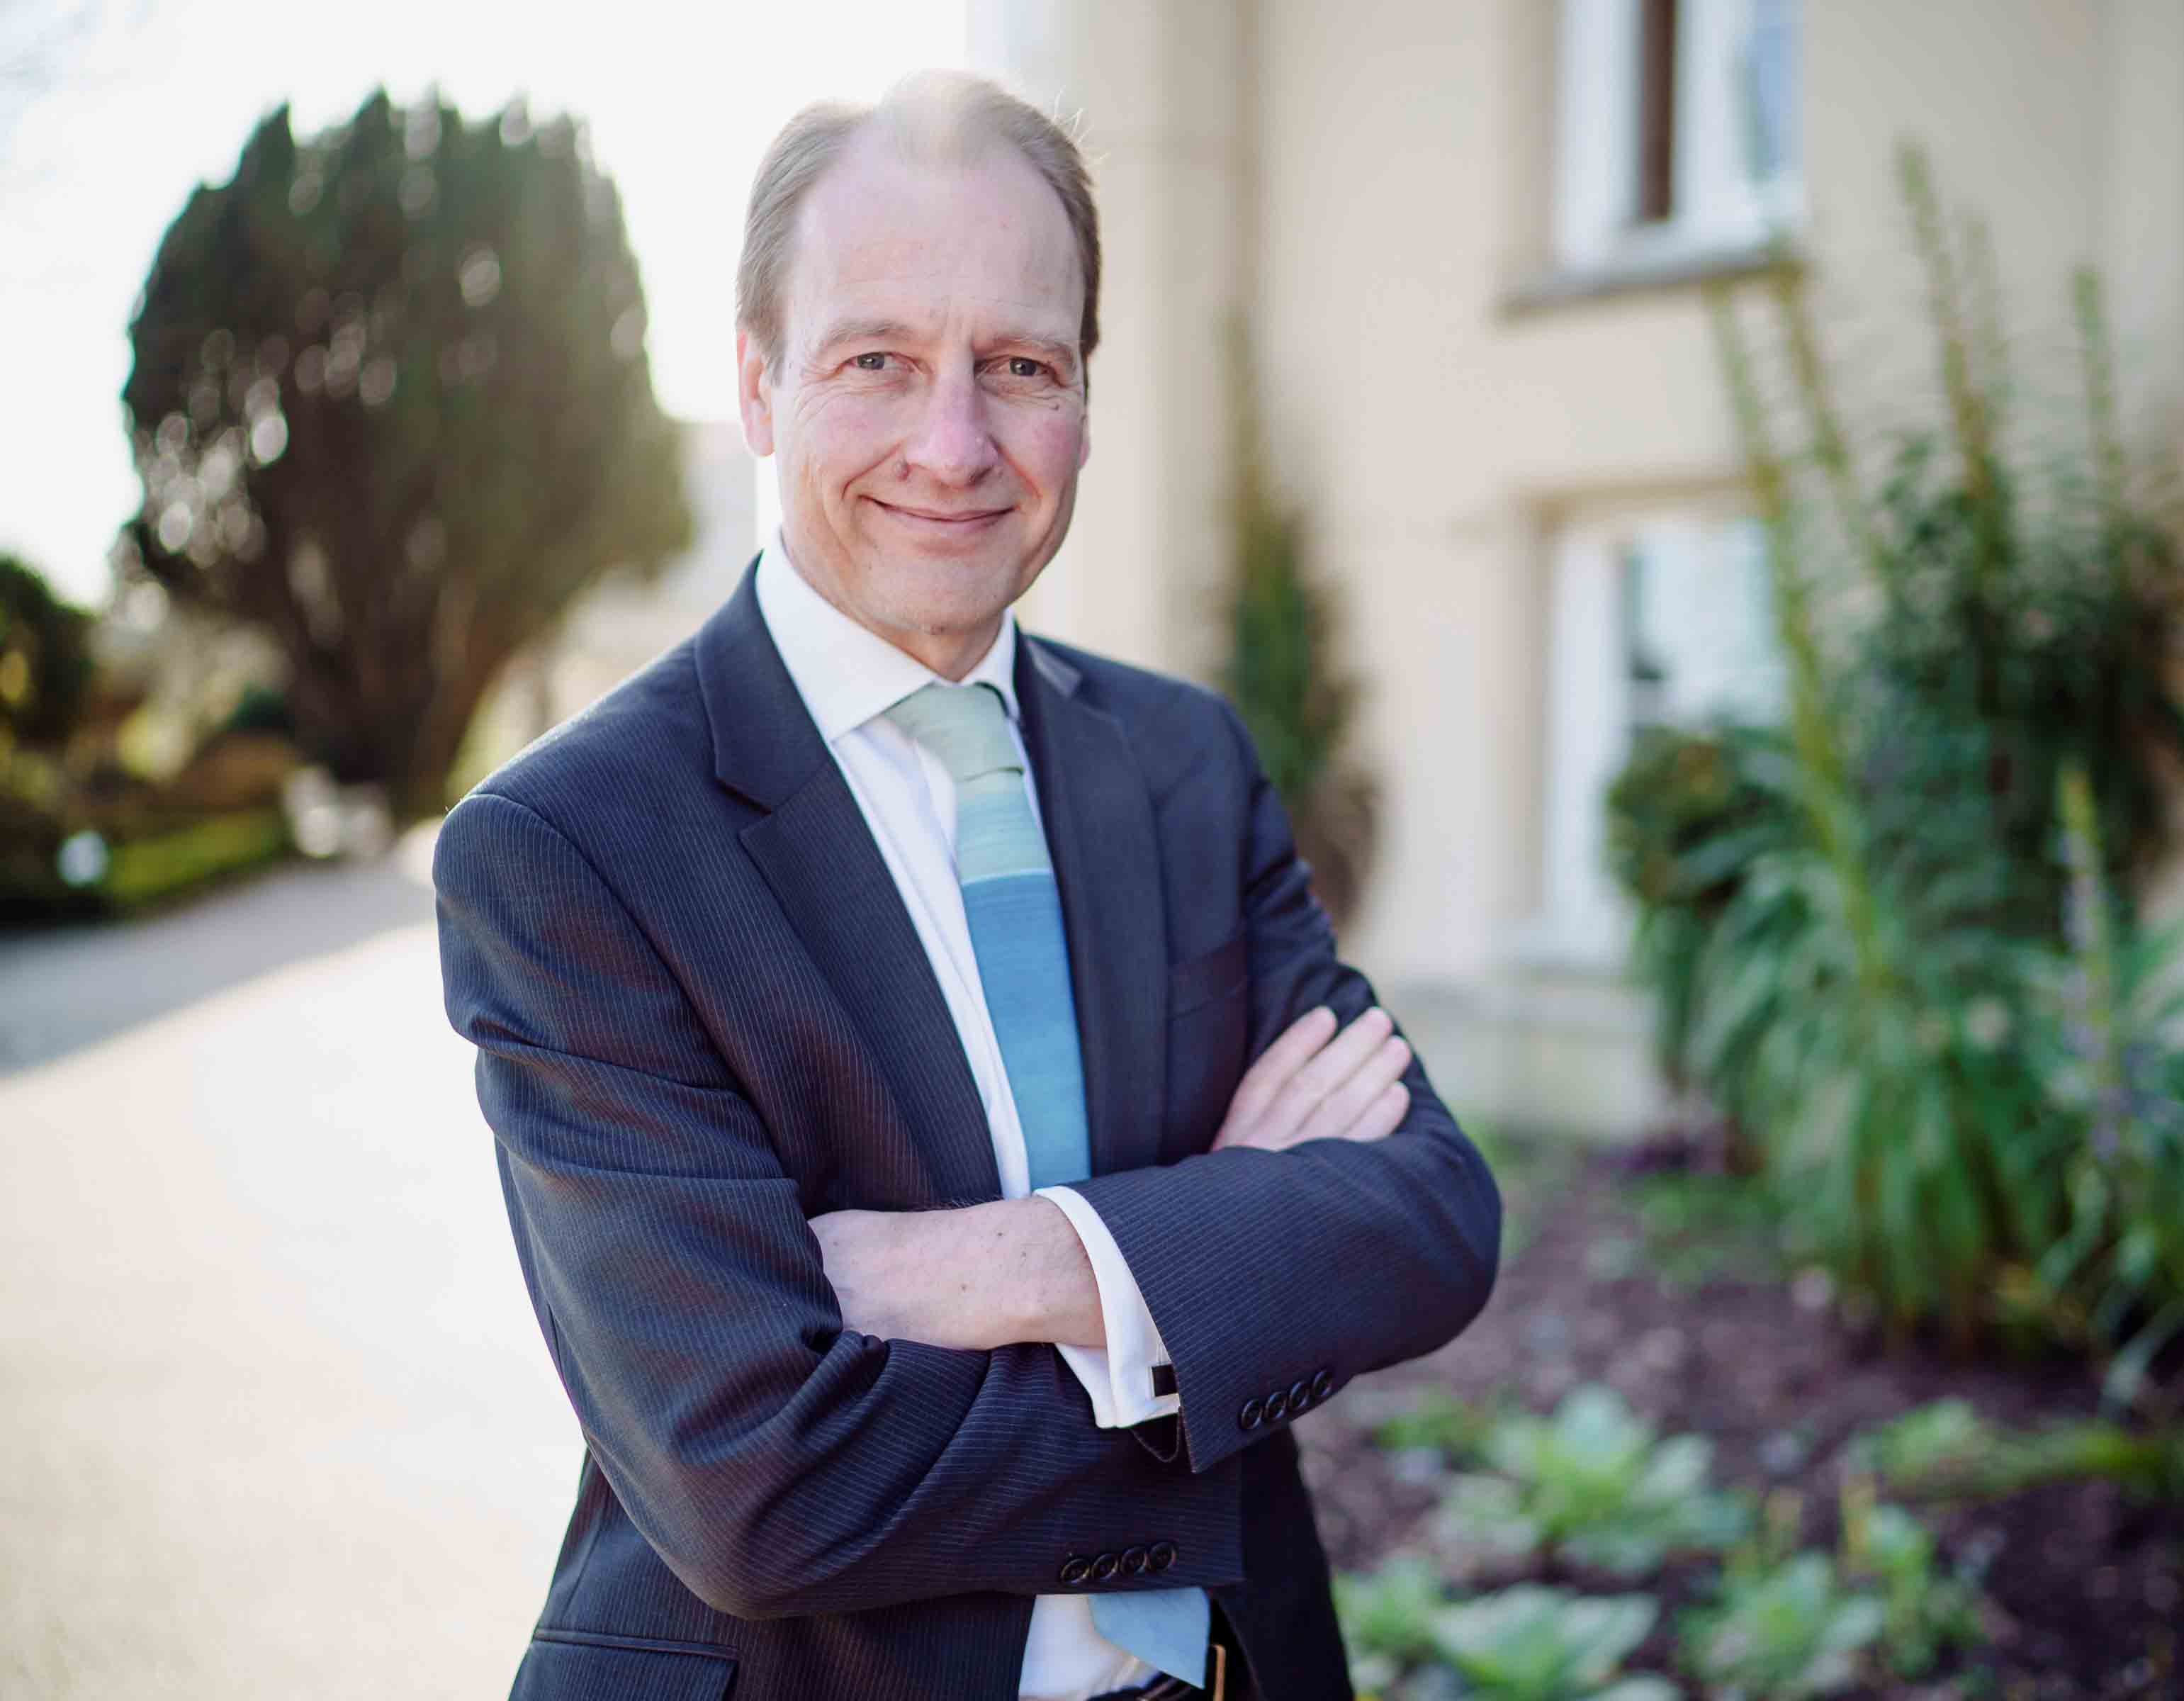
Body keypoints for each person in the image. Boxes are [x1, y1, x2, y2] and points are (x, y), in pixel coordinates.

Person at [432, 69, 1502, 1701]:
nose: (956, 445)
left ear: (1083, 393)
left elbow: (1432, 1219)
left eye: (1020, 366)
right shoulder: (577, 850)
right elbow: (758, 1487)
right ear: (759, 382)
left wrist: (1016, 1266)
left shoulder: (1184, 763)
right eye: (880, 361)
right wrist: (1217, 1287)